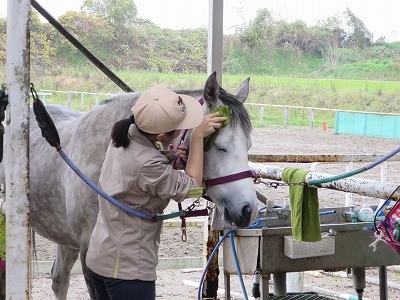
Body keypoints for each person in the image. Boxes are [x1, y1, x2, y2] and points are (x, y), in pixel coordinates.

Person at [86, 86, 227, 300]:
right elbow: (191, 187)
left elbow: (139, 167)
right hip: (126, 269)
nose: (185, 129)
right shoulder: (148, 164)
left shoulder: (122, 138)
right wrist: (197, 138)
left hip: (100, 258)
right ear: (161, 135)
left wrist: (169, 157)